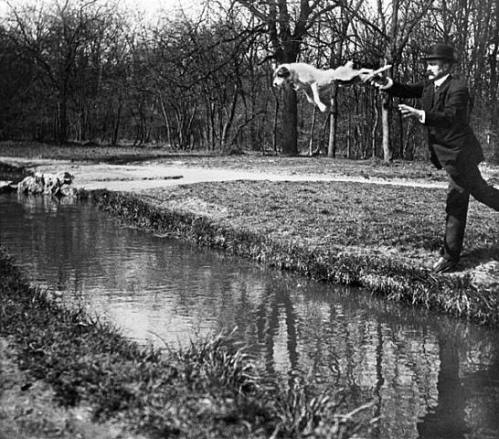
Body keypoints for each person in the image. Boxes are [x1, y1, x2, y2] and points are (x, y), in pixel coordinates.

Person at [364, 43, 499, 273]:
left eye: (433, 64)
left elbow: (451, 117)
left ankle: (450, 257)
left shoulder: (458, 88)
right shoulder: (430, 86)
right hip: (447, 155)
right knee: (481, 192)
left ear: (446, 66)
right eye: (428, 63)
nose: (429, 67)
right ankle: (450, 254)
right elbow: (407, 89)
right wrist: (387, 84)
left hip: (460, 154)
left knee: (456, 200)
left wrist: (420, 114)